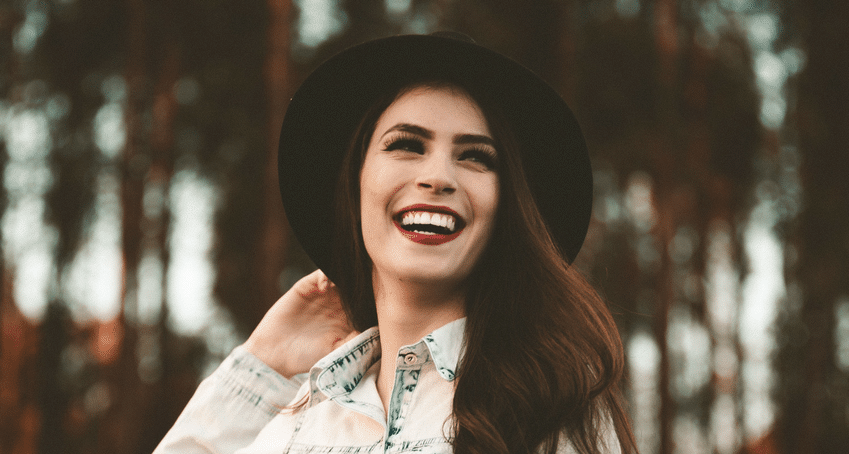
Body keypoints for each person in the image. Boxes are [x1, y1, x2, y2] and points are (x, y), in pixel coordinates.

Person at [154, 32, 637, 454]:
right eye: (407, 144)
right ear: (356, 182)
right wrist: (263, 364)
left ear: (505, 207)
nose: (438, 177)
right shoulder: (296, 422)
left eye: (475, 157)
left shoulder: (552, 409)